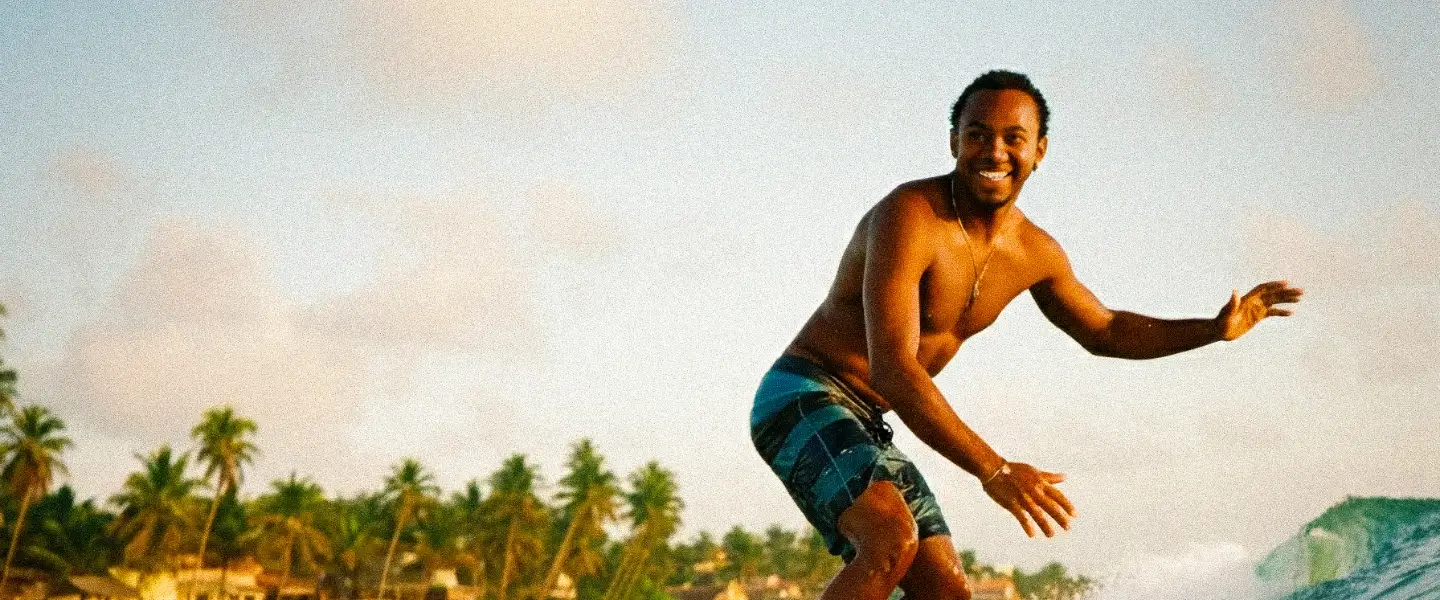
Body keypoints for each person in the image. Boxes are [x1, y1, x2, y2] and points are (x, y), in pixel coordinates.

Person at [749, 70, 1302, 600]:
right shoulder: (909, 217)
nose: (994, 152)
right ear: (953, 142)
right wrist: (995, 470)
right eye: (977, 135)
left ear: (1040, 150)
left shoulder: (1034, 252)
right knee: (889, 541)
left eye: (1014, 138)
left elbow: (1105, 329)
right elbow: (894, 367)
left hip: (868, 419)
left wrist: (1212, 329)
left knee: (946, 590)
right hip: (802, 395)